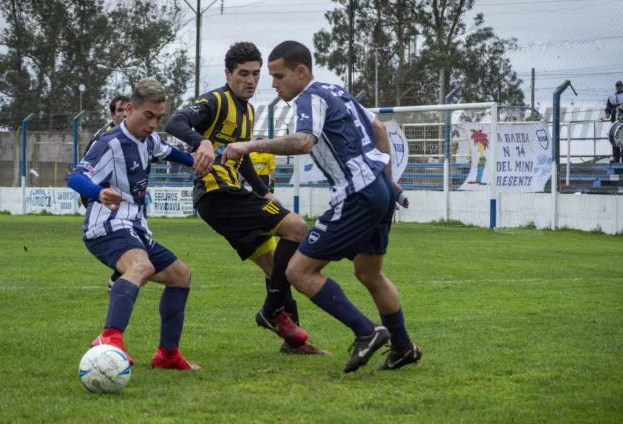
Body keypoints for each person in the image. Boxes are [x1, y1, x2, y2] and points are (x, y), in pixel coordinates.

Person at [222, 40, 421, 373]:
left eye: (278, 75)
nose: (273, 84)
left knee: (298, 271)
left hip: (356, 194)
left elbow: (303, 142)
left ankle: (367, 331)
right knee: (369, 274)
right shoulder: (336, 91)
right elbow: (379, 129)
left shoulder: (308, 97)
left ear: (301, 72)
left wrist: (248, 145)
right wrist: (388, 178)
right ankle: (402, 347)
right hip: (378, 188)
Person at [165, 42, 327, 355]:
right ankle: (270, 311)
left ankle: (294, 342)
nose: (250, 81)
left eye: (255, 74)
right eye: (243, 74)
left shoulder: (248, 110)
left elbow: (244, 158)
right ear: (228, 74)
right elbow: (175, 122)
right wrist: (203, 143)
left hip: (226, 197)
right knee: (296, 227)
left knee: (276, 267)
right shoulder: (215, 100)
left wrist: (263, 191)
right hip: (218, 192)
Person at [68, 77, 200, 370]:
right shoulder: (109, 143)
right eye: (148, 116)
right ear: (129, 109)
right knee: (141, 267)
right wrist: (98, 192)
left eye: (159, 118)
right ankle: (109, 338)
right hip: (107, 226)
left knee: (181, 275)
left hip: (135, 229)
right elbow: (76, 177)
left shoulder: (149, 139)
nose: (153, 124)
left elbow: (171, 152)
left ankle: (167, 355)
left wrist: (200, 159)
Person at [605, 81, 623, 163]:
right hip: (615, 119)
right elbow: (608, 107)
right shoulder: (611, 96)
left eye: (620, 86)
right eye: (617, 86)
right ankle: (616, 157)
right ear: (615, 87)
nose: (618, 87)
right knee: (614, 137)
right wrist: (607, 113)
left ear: (622, 86)